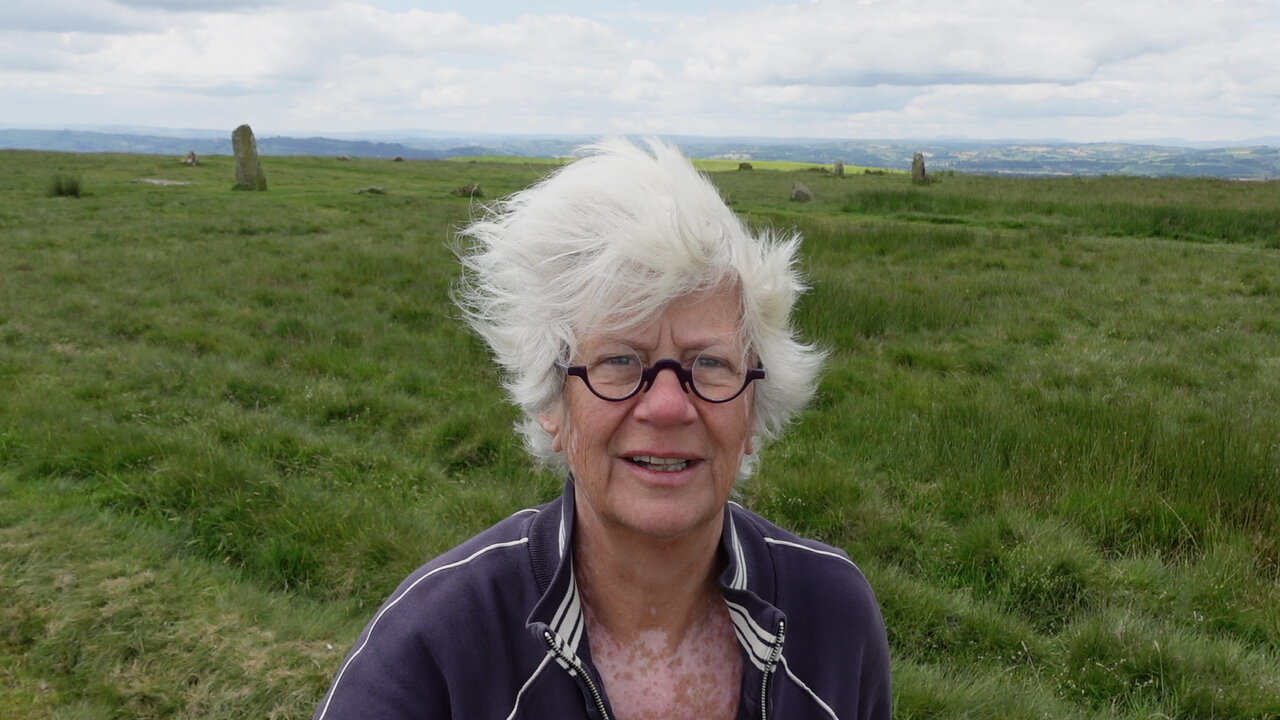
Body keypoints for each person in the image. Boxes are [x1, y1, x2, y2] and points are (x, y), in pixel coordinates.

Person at [313, 138, 891, 720]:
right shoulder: (436, 643)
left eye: (710, 364)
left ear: (753, 408)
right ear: (552, 403)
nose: (668, 407)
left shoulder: (835, 614)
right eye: (620, 361)